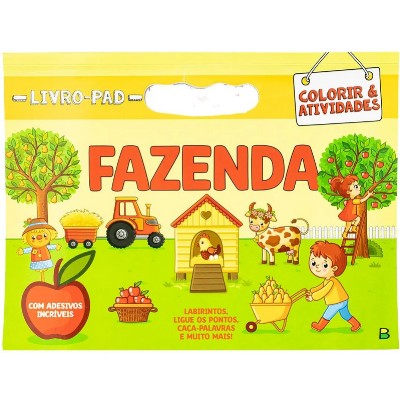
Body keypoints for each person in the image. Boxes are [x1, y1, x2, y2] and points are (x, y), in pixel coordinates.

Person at [306, 240, 361, 332]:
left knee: (328, 314)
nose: (317, 267)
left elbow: (324, 291)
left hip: (337, 301)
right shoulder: (328, 280)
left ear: (334, 268)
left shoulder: (331, 282)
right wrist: (312, 290)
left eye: (324, 265)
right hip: (343, 300)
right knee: (345, 315)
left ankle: (320, 326)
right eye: (313, 263)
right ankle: (356, 324)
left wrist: (313, 297)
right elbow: (321, 286)